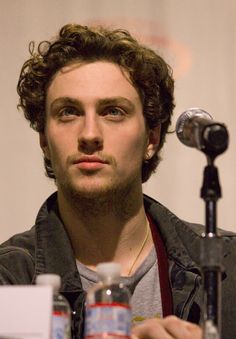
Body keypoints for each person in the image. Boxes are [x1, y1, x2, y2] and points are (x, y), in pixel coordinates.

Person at [0, 23, 235, 339]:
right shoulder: (11, 280)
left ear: (151, 138)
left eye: (113, 111)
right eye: (68, 112)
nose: (89, 135)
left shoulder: (227, 270)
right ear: (44, 139)